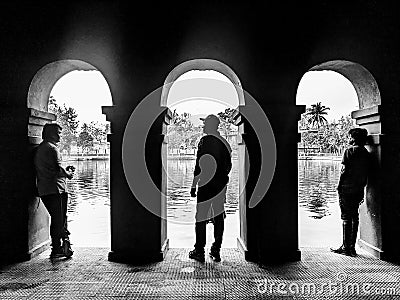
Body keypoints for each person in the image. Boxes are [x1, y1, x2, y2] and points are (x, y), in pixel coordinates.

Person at [189, 114, 232, 262]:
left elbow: (199, 166)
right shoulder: (225, 143)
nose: (203, 126)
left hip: (206, 186)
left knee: (201, 218)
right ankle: (216, 249)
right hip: (220, 186)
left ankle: (199, 250)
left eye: (205, 124)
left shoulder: (204, 142)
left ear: (210, 126)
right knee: (218, 217)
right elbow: (228, 166)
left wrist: (194, 186)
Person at [34, 123, 75, 258]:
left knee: (57, 218)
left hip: (45, 189)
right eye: (58, 133)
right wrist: (68, 174)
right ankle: (59, 246)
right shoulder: (52, 149)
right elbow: (57, 170)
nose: (60, 136)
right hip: (56, 189)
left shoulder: (41, 148)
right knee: (60, 219)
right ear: (51, 133)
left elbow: (50, 169)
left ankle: (57, 246)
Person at [331, 127, 370, 257]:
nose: (348, 139)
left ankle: (346, 247)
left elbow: (344, 171)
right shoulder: (366, 153)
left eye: (349, 137)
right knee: (355, 216)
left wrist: (339, 186)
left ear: (354, 138)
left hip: (346, 189)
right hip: (358, 189)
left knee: (346, 217)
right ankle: (352, 248)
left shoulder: (349, 151)